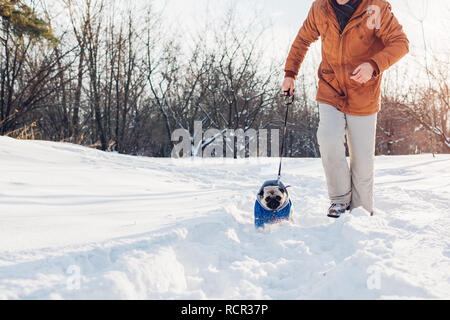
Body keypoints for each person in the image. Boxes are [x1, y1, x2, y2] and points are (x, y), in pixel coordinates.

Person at [282, 0, 409, 218]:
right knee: (328, 137)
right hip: (330, 88)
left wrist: (373, 65)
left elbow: (400, 43)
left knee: (362, 158)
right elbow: (303, 40)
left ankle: (361, 209)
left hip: (363, 92)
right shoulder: (320, 8)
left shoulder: (375, 7)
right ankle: (339, 201)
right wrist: (290, 73)